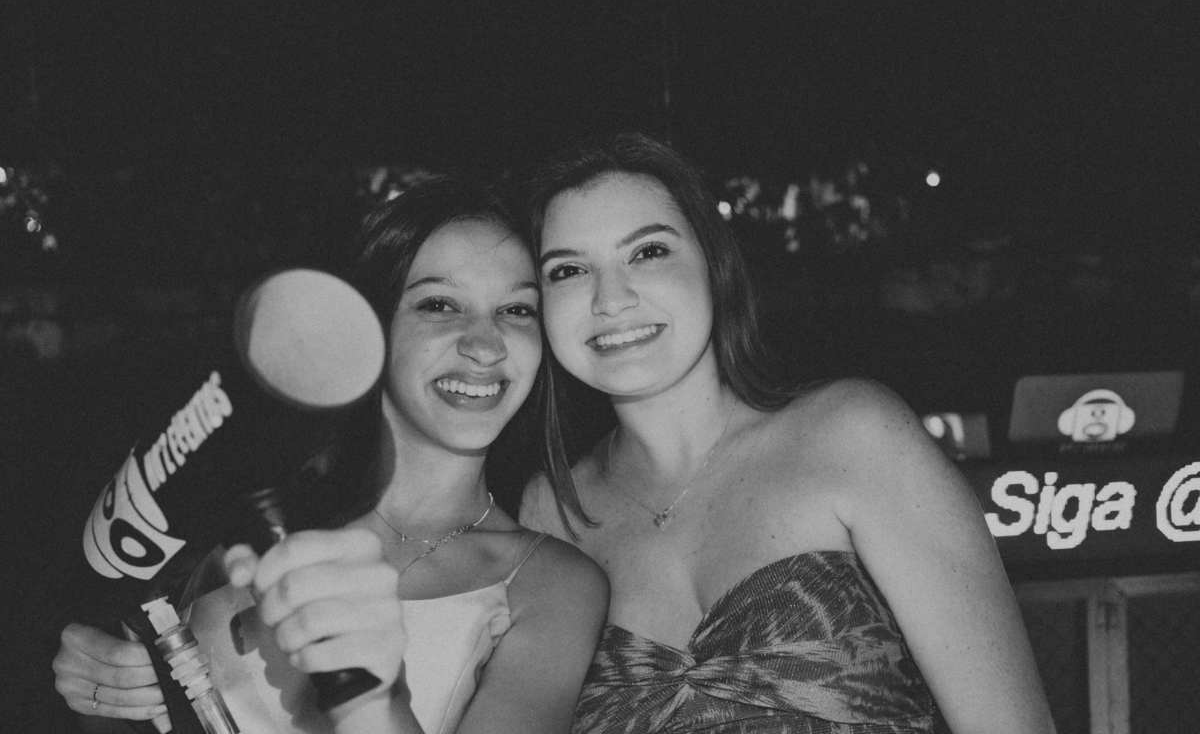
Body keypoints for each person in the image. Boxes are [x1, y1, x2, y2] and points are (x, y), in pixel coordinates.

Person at [518, 133, 1057, 733]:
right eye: (568, 270)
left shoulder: (853, 437)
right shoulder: (551, 511)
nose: (611, 299)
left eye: (647, 252)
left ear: (714, 266)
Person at [52, 176, 609, 733]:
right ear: (369, 327)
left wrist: (375, 699)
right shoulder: (233, 509)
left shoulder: (554, 587)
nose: (485, 346)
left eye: (516, 310)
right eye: (439, 304)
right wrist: (101, 688)